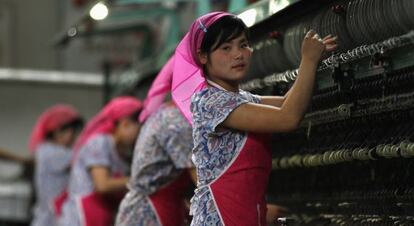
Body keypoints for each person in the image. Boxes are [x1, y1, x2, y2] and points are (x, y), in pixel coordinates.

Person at [171, 12, 337, 225]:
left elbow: (287, 102)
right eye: (226, 48)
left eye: (243, 45)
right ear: (203, 56)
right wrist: (308, 61)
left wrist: (314, 62)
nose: (238, 54)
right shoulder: (210, 101)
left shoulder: (241, 98)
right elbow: (288, 117)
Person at [116, 57, 196, 226]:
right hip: (150, 214)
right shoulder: (176, 122)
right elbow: (203, 182)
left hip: (156, 207)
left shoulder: (165, 112)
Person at [58, 96, 143, 226]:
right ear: (125, 124)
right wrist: (139, 180)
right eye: (139, 129)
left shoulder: (122, 153)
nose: (140, 135)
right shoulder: (100, 143)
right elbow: (103, 185)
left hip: (99, 217)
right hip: (80, 218)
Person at [29, 104, 84, 226]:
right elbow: (84, 158)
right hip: (51, 218)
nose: (74, 138)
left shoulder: (44, 150)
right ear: (58, 131)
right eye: (72, 132)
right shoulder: (52, 152)